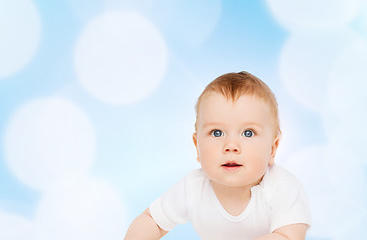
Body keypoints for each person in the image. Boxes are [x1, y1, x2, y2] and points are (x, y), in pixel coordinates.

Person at [124, 71, 311, 240]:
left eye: (248, 133)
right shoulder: (193, 187)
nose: (231, 146)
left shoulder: (282, 187)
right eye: (217, 133)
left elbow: (288, 237)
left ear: (272, 149)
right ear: (197, 147)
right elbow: (151, 221)